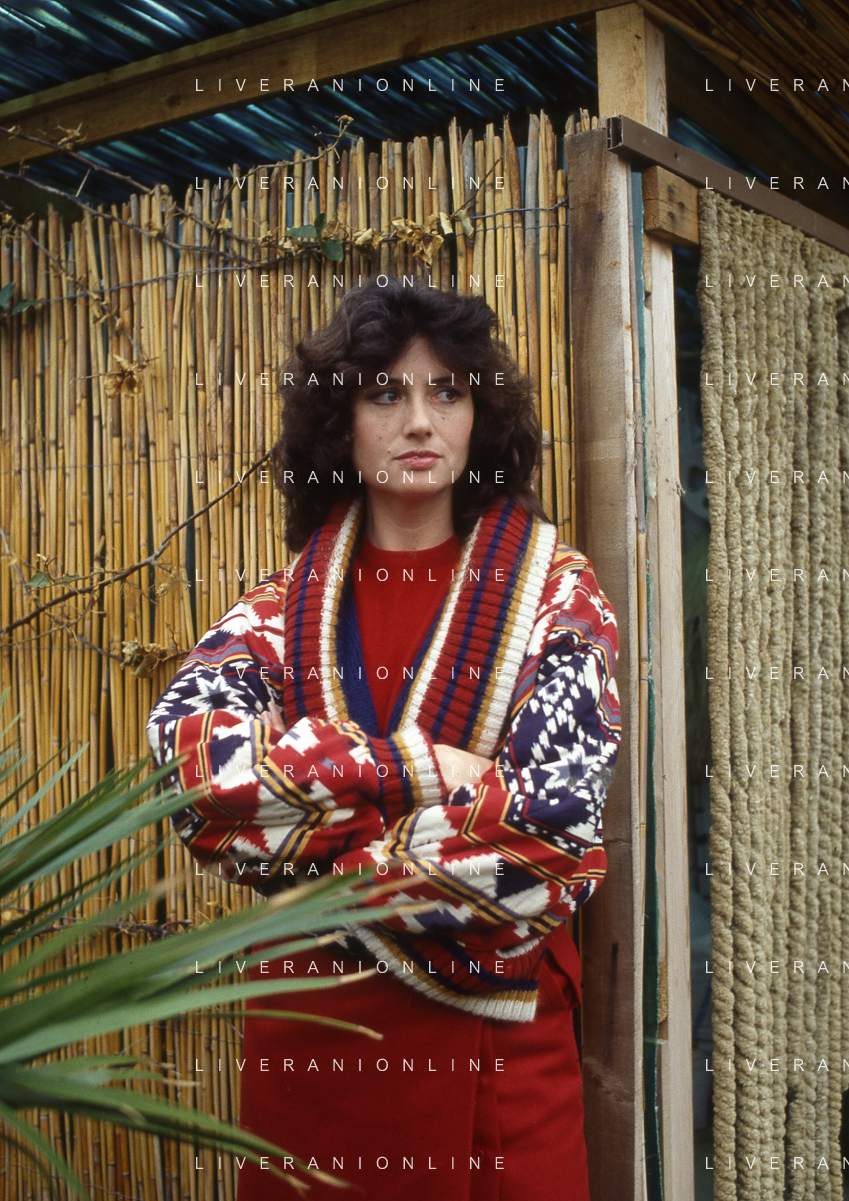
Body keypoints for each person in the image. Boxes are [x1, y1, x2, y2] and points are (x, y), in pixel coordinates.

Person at [146, 278, 621, 1201]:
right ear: (341, 423)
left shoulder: (557, 596)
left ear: (479, 415)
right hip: (311, 1052)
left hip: (495, 1063)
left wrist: (311, 844)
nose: (419, 421)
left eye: (447, 391)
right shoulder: (279, 610)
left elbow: (554, 831)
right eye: (384, 393)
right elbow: (194, 776)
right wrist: (421, 770)